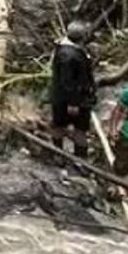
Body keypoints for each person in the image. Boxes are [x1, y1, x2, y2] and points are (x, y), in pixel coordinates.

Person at [47, 21, 97, 156]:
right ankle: (61, 156)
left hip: (75, 97)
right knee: (68, 127)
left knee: (74, 128)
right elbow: (67, 81)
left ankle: (69, 157)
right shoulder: (68, 55)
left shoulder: (72, 50)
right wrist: (73, 102)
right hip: (70, 99)